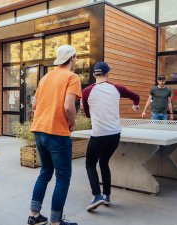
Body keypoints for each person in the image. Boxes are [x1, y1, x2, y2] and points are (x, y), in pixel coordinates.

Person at [27, 45, 81, 225]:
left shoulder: (45, 77)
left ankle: (34, 216)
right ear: (72, 57)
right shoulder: (72, 77)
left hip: (39, 130)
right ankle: (56, 222)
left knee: (45, 172)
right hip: (57, 132)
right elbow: (68, 106)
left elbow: (34, 105)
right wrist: (72, 121)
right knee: (63, 177)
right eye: (76, 58)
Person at [81, 62, 140, 211]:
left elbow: (87, 115)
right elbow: (136, 97)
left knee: (90, 164)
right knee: (104, 163)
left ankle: (97, 195)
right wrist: (135, 105)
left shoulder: (86, 92)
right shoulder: (117, 88)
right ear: (107, 74)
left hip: (99, 135)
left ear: (95, 74)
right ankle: (106, 196)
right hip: (114, 135)